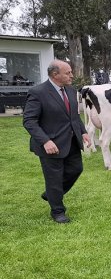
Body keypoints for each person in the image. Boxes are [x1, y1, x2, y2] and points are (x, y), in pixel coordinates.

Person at [23, 59, 91, 224]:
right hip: (50, 145)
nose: (71, 76)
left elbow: (73, 116)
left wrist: (83, 132)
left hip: (71, 141)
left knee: (76, 169)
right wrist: (45, 141)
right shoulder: (38, 92)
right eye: (68, 73)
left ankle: (51, 194)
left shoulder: (69, 90)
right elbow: (29, 121)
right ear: (55, 74)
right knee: (54, 178)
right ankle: (57, 211)